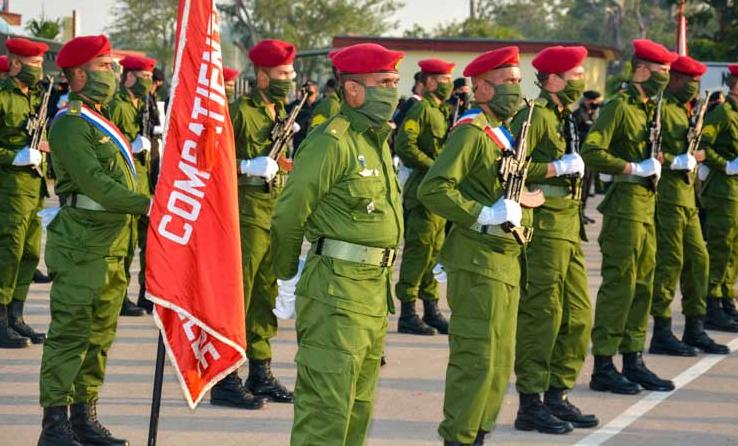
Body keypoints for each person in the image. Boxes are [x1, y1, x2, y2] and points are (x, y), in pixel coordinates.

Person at [271, 42, 404, 446]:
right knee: (326, 414)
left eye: (395, 82)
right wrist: (287, 275)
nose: (393, 91)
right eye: (384, 82)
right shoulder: (332, 141)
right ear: (353, 91)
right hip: (336, 293)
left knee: (357, 409)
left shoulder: (374, 140)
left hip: (372, 293)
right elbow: (289, 214)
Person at [38, 34, 150, 446]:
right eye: (105, 66)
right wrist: (148, 204)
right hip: (82, 244)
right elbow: (96, 184)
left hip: (113, 244)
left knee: (100, 336)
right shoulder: (70, 123)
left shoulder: (105, 118)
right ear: (79, 74)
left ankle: (84, 417)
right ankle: (54, 426)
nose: (114, 73)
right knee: (70, 334)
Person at [419, 46, 527, 446]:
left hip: (504, 260)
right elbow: (434, 188)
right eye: (508, 82)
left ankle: (478, 434)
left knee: (499, 363)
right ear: (482, 89)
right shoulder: (471, 132)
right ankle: (459, 438)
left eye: (518, 81)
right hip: (477, 259)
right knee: (476, 359)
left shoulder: (503, 132)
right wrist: (482, 212)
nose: (515, 89)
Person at [582, 39, 678, 395]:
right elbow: (592, 150)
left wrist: (661, 160)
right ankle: (604, 365)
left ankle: (633, 359)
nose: (665, 79)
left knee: (642, 286)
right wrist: (631, 167)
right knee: (620, 286)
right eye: (660, 72)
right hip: (624, 206)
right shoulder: (619, 107)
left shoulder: (650, 107)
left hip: (647, 205)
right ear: (640, 71)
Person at [512, 45, 598, 435]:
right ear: (554, 80)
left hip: (568, 224)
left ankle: (557, 394)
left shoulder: (563, 116)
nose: (581, 81)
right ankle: (531, 402)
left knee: (578, 314)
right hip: (545, 223)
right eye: (575, 75)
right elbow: (511, 166)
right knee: (543, 313)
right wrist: (555, 167)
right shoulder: (535, 117)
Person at [209, 39, 296, 409]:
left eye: (290, 74)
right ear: (262, 77)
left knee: (264, 296)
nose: (288, 80)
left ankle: (259, 370)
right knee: (237, 298)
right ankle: (225, 378)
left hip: (272, 214)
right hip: (244, 218)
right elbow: (211, 161)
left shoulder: (280, 113)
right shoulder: (239, 112)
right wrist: (246, 166)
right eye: (281, 74)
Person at [649, 55, 731, 355]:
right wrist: (675, 160)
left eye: (697, 82)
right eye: (690, 81)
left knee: (699, 260)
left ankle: (696, 326)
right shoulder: (661, 109)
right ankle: (662, 330)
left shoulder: (686, 111)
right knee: (670, 264)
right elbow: (654, 152)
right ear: (675, 80)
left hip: (688, 197)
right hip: (668, 197)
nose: (694, 87)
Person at [394, 58, 455, 336]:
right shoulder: (420, 108)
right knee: (418, 251)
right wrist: (435, 167)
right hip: (421, 192)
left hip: (437, 193)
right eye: (443, 81)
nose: (448, 86)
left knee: (434, 252)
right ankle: (408, 312)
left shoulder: (440, 110)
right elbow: (405, 146)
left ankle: (431, 310)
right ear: (429, 82)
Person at [0, 37, 49, 349]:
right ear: (15, 64)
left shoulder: (35, 97)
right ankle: (1, 320)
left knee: (30, 254)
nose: (38, 70)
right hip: (10, 188)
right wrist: (13, 156)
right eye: (33, 65)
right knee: (8, 253)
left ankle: (16, 314)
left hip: (35, 187)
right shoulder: (3, 98)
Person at [108, 55, 157, 318]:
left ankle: (146, 293)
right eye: (143, 78)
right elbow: (106, 145)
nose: (147, 83)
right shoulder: (117, 105)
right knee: (124, 246)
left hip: (144, 184)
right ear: (128, 78)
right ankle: (120, 295)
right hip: (125, 184)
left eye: (150, 78)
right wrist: (130, 145)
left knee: (149, 244)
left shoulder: (144, 104)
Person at [699, 63, 738, 331]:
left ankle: (726, 299)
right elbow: (702, 145)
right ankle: (711, 304)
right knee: (720, 247)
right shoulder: (723, 112)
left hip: (735, 191)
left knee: (733, 249)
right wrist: (725, 164)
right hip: (722, 189)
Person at [288, 80, 318, 150]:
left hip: (312, 143)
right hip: (298, 142)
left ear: (316, 93)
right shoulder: (296, 105)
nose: (307, 95)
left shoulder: (319, 107)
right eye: (304, 92)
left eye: (310, 93)